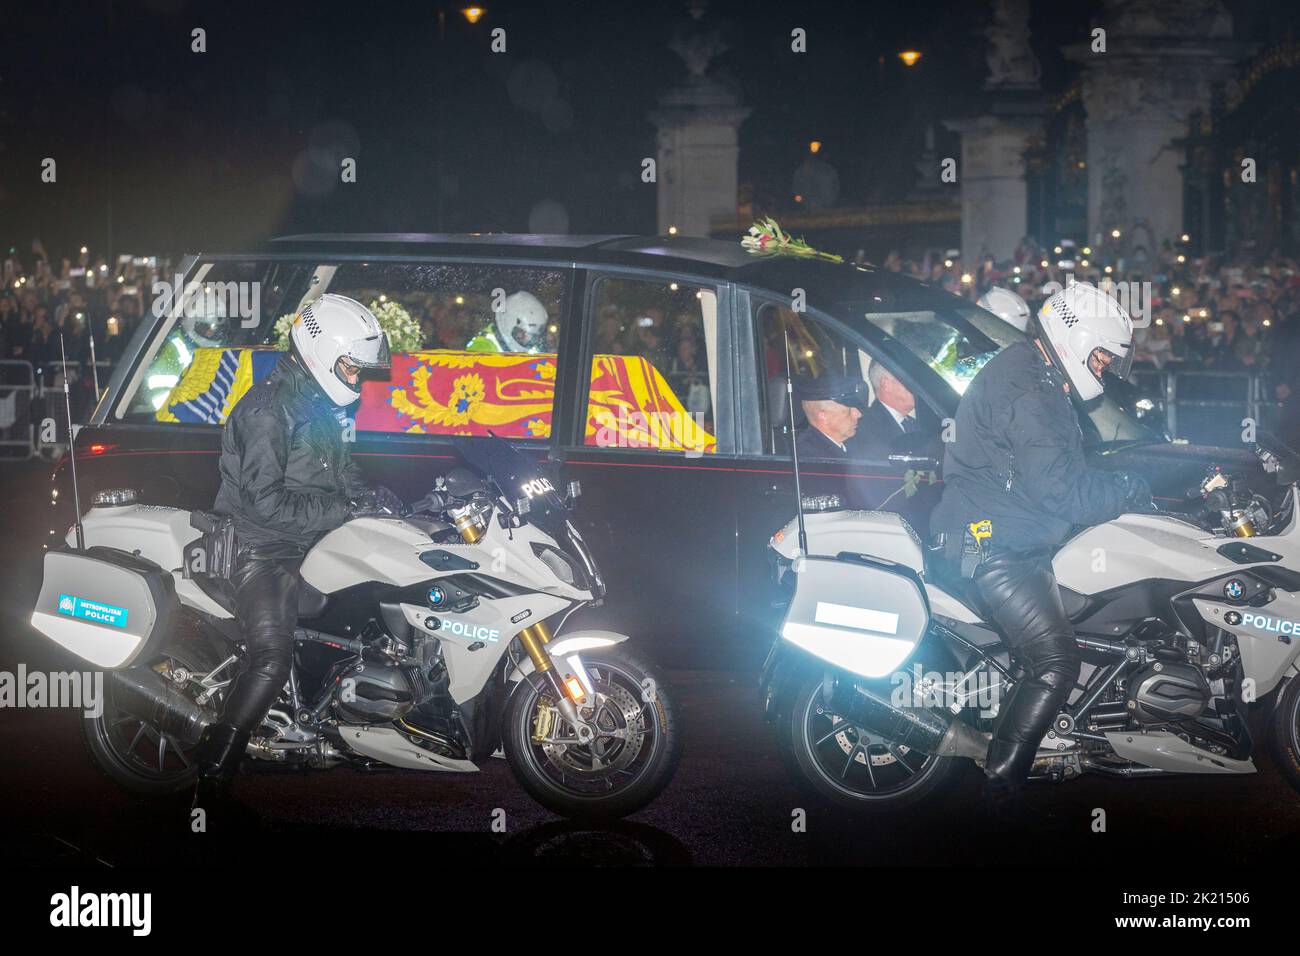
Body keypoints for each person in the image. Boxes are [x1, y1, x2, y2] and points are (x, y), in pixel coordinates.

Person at [929, 282, 1154, 825]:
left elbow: (1058, 472)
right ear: (1076, 341)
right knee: (1055, 662)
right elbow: (1064, 491)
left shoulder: (1033, 371)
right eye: (1100, 356)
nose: (1102, 369)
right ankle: (1000, 795)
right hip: (995, 546)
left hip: (1007, 532)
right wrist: (1133, 488)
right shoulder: (1033, 390)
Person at [198, 294, 400, 819]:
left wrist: (377, 499)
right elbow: (265, 505)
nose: (357, 376)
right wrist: (342, 508)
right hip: (259, 550)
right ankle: (212, 778)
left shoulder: (315, 404)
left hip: (305, 543)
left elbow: (338, 477)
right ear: (320, 350)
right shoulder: (269, 410)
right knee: (271, 657)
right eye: (351, 364)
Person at [793, 373, 876, 509]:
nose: (858, 414)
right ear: (823, 416)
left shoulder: (850, 444)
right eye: (849, 410)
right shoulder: (810, 460)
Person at [466, 290, 548, 353]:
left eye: (534, 337)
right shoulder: (481, 350)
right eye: (523, 334)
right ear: (507, 323)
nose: (528, 340)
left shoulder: (533, 351)